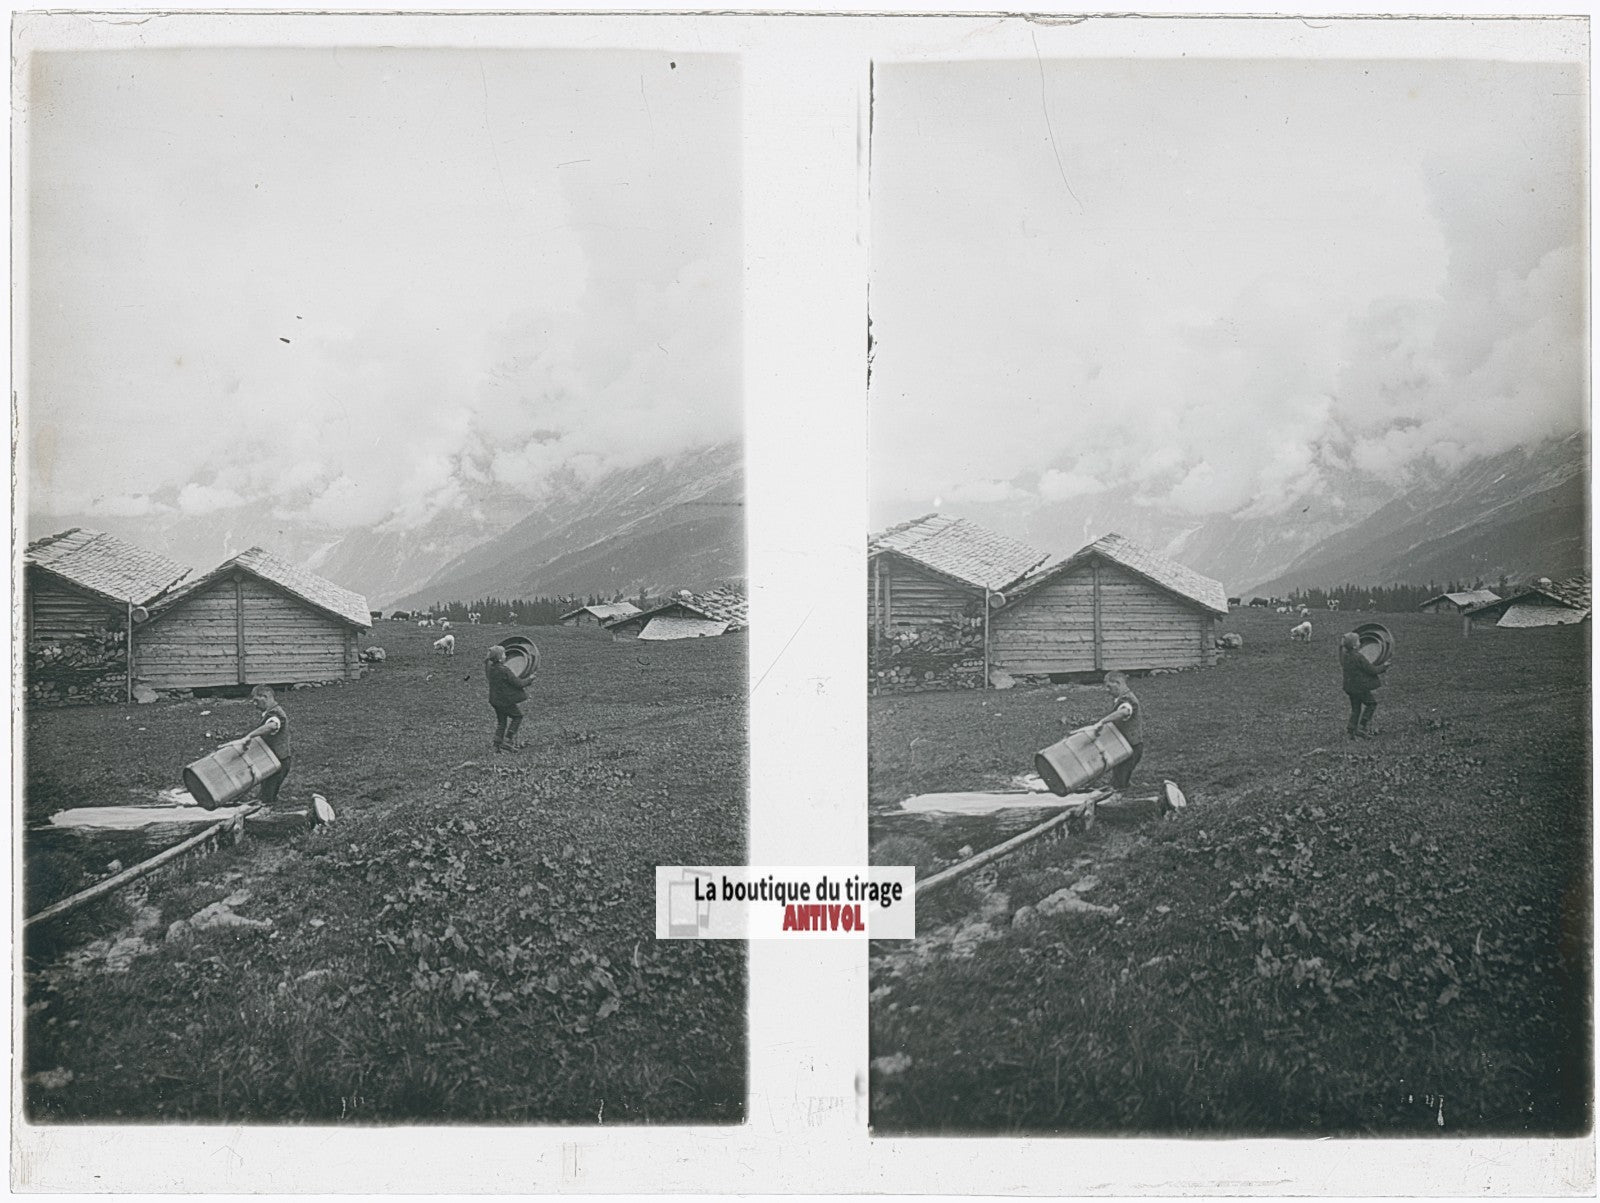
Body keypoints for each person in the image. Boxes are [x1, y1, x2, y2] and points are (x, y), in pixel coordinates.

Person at [230, 684, 293, 808]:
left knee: (266, 799)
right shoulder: (271, 712)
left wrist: (249, 736)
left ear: (265, 697)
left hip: (278, 762)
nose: (254, 704)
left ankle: (269, 819)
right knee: (266, 795)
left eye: (256, 700)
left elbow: (272, 726)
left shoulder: (276, 713)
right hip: (271, 761)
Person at [1088, 670, 1145, 792]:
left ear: (1118, 683)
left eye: (1109, 686)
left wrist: (1102, 722)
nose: (1107, 690)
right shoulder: (1123, 698)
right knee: (1119, 778)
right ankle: (1128, 789)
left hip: (1131, 748)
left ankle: (1124, 801)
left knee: (1118, 784)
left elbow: (1124, 712)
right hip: (1125, 746)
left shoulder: (1128, 700)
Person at [1339, 632, 1390, 739]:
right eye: (1358, 641)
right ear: (1354, 645)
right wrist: (1384, 666)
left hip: (1349, 687)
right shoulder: (1359, 657)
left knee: (1355, 709)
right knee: (1371, 704)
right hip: (1360, 687)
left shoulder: (1345, 656)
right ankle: (1362, 727)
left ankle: (1351, 731)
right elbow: (1371, 670)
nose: (1360, 642)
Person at [485, 645, 528, 753]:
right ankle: (508, 740)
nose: (505, 656)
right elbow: (518, 683)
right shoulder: (504, 670)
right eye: (504, 654)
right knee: (518, 716)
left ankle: (496, 745)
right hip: (505, 701)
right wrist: (530, 679)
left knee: (501, 722)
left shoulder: (491, 668)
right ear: (500, 658)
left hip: (495, 700)